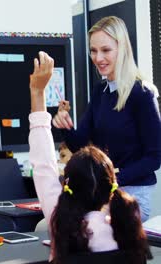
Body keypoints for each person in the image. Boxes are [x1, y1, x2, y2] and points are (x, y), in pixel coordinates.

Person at [29, 51, 151, 263]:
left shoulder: (59, 222)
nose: (98, 57)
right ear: (113, 184)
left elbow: (44, 166)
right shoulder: (129, 229)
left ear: (66, 184)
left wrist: (37, 92)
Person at [52, 16, 161, 222]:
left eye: (105, 50)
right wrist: (65, 126)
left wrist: (112, 181)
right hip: (102, 193)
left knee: (88, 230)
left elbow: (154, 158)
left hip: (132, 195)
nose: (98, 57)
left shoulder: (142, 93)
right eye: (93, 51)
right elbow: (81, 145)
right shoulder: (100, 92)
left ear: (122, 49)